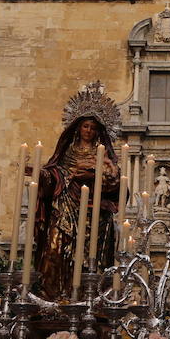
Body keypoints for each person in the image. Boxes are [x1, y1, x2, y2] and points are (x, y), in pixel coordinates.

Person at [32, 107, 121, 300]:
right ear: (78, 128)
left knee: (89, 257)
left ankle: (84, 297)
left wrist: (95, 174)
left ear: (98, 132)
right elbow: (56, 173)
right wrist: (45, 175)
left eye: (92, 128)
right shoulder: (66, 152)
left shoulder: (102, 154)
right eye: (85, 126)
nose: (88, 130)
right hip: (64, 205)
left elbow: (115, 182)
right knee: (55, 248)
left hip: (93, 212)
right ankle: (53, 295)